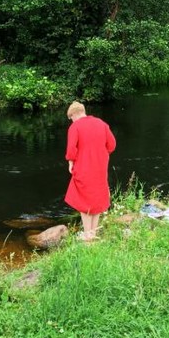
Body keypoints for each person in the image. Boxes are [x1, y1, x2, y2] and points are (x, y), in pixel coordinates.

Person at [64, 101, 116, 241]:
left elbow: (71, 150)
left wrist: (70, 162)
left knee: (83, 199)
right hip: (100, 166)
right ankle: (93, 233)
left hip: (83, 166)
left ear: (74, 114)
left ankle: (87, 235)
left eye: (71, 118)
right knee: (97, 196)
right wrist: (100, 154)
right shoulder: (102, 124)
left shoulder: (75, 127)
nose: (71, 121)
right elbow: (112, 145)